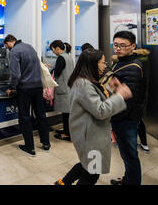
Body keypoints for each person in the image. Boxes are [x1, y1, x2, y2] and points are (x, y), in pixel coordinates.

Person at [55, 49, 132, 185]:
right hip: (90, 136)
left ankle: (63, 183)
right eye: (102, 63)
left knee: (87, 166)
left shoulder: (85, 82)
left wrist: (110, 89)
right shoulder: (84, 84)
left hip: (89, 134)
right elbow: (100, 111)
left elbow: (94, 100)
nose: (104, 66)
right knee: (91, 173)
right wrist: (120, 96)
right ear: (93, 64)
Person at [4, 35, 50, 156]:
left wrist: (11, 87)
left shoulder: (14, 51)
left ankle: (30, 147)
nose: (7, 48)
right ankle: (46, 143)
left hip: (25, 88)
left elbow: (16, 74)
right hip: (38, 86)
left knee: (24, 117)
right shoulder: (30, 47)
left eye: (6, 46)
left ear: (9, 43)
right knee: (41, 114)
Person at [110, 31, 146, 185]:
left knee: (129, 155)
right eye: (115, 45)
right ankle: (128, 179)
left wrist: (113, 119)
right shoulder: (120, 61)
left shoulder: (133, 67)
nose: (118, 48)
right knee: (126, 154)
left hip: (126, 118)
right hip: (122, 116)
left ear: (132, 46)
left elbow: (128, 99)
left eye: (122, 46)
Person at [49, 40, 75, 141]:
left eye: (53, 50)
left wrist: (50, 70)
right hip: (69, 87)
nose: (53, 52)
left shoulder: (61, 58)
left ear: (57, 48)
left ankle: (67, 134)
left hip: (64, 88)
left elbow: (57, 72)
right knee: (67, 113)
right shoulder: (69, 56)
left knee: (66, 114)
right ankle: (66, 131)